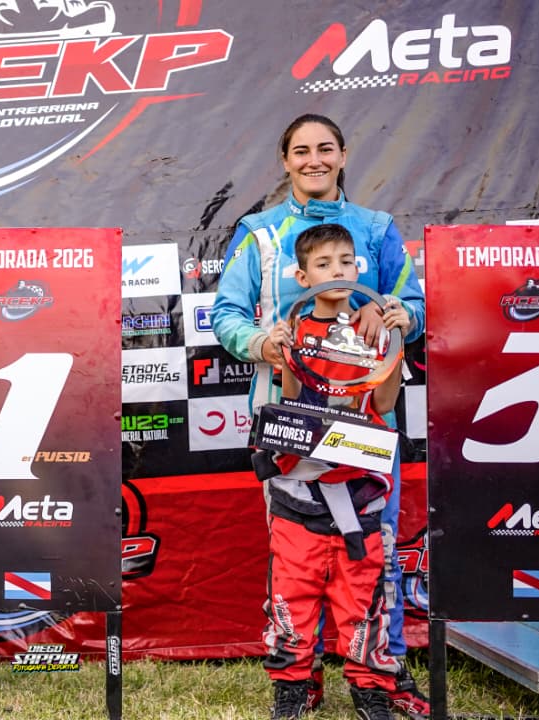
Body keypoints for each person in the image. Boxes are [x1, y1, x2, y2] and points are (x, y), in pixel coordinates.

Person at [211, 113, 429, 718]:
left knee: (374, 556)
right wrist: (263, 344)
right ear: (285, 162)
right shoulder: (260, 233)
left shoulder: (376, 228)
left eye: (325, 148)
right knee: (294, 561)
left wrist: (393, 313)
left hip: (368, 421)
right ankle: (298, 678)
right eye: (301, 150)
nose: (314, 160)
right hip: (289, 423)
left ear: (343, 155)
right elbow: (226, 313)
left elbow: (414, 305)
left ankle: (382, 676)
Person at [261, 224, 408, 720]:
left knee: (362, 595)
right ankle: (293, 687)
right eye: (324, 264)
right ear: (303, 277)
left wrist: (394, 347)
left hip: (360, 484)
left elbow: (382, 404)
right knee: (292, 592)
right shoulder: (295, 330)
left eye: (345, 261)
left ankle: (370, 689)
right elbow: (292, 400)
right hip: (301, 487)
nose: (337, 271)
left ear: (358, 268)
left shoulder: (374, 330)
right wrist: (284, 354)